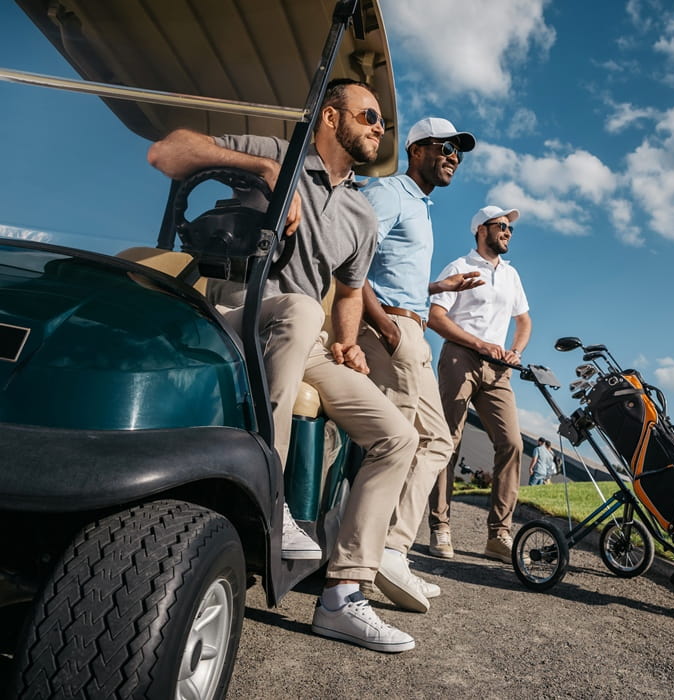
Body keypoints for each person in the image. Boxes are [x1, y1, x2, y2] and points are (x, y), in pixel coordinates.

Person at [147, 79, 419, 653]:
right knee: (296, 308)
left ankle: (344, 596)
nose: (379, 128)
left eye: (382, 124)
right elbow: (166, 153)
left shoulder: (362, 215)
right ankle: (270, 499)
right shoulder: (274, 153)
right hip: (230, 307)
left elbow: (347, 293)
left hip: (306, 338)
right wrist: (263, 171)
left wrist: (347, 344)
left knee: (397, 434)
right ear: (329, 116)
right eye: (369, 116)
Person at [358, 116, 480, 612]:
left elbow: (395, 271)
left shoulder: (421, 207)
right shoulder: (387, 193)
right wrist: (385, 328)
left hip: (410, 326)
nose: (454, 155)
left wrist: (436, 289)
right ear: (416, 149)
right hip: (391, 330)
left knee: (436, 440)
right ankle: (371, 559)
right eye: (445, 146)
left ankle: (391, 550)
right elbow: (350, 262)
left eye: (459, 150)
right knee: (406, 442)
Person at [427, 205, 532, 562]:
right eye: (501, 225)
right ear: (480, 230)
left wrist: (514, 350)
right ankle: (440, 526)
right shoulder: (459, 267)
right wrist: (478, 344)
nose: (507, 232)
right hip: (461, 357)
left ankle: (498, 534)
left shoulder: (511, 275)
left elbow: (524, 320)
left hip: (498, 367)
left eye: (510, 228)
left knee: (512, 443)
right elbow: (435, 317)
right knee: (448, 440)